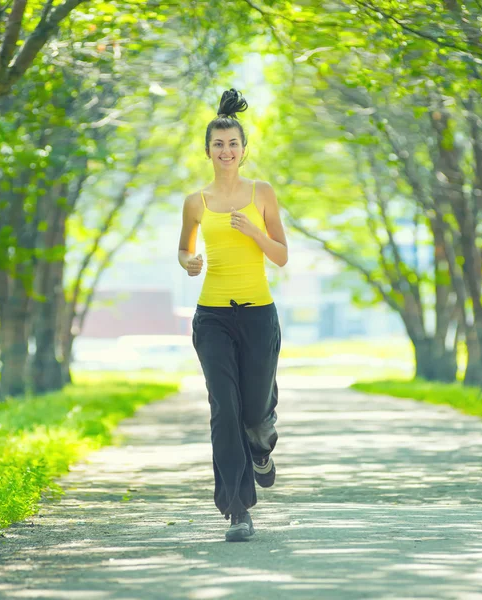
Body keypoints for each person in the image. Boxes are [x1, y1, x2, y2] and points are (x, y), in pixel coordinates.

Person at [177, 88, 288, 542]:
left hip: (259, 316)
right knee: (225, 410)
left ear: (244, 151)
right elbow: (184, 251)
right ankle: (237, 510)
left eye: (233, 144)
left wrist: (254, 232)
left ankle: (262, 447)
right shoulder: (195, 202)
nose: (226, 151)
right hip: (214, 319)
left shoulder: (261, 193)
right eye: (218, 144)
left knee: (254, 414)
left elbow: (281, 255)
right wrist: (189, 262)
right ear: (208, 151)